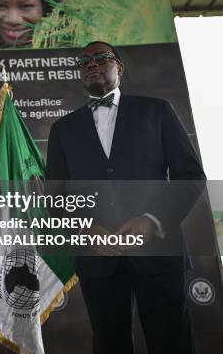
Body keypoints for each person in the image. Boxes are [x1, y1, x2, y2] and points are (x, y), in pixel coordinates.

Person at [45, 41, 205, 354]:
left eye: (101, 58)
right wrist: (84, 229)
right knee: (109, 345)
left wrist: (152, 220)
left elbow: (190, 176)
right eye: (85, 61)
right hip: (97, 258)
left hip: (158, 252)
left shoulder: (157, 111)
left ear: (119, 68)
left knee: (171, 341)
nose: (92, 63)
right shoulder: (63, 128)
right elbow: (56, 194)